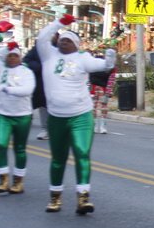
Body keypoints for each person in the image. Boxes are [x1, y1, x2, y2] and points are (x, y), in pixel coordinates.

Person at [37, 15, 116, 214]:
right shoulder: (49, 55)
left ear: (76, 45)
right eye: (62, 38)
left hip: (80, 115)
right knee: (58, 158)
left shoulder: (83, 58)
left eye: (69, 40)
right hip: (56, 117)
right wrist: (60, 23)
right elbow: (42, 38)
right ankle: (55, 198)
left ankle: (83, 198)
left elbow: (102, 66)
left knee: (82, 154)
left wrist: (109, 60)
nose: (64, 41)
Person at [0, 42, 35, 195]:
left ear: (20, 58)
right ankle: (3, 180)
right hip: (4, 114)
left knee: (20, 148)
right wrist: (7, 47)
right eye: (9, 56)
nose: (12, 58)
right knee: (1, 145)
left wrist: (8, 89)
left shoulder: (26, 72)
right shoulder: (0, 70)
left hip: (22, 115)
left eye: (15, 55)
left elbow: (28, 89)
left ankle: (18, 181)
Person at [22, 41, 50, 140]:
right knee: (29, 107)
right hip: (36, 83)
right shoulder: (36, 49)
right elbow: (26, 61)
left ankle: (47, 130)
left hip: (52, 84)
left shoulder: (56, 49)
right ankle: (21, 129)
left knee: (47, 107)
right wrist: (40, 66)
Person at [89, 61, 116, 134]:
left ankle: (102, 126)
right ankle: (94, 126)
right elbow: (88, 78)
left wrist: (109, 91)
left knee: (103, 107)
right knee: (93, 108)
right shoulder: (91, 65)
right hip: (94, 89)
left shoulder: (111, 67)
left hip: (103, 89)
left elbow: (111, 79)